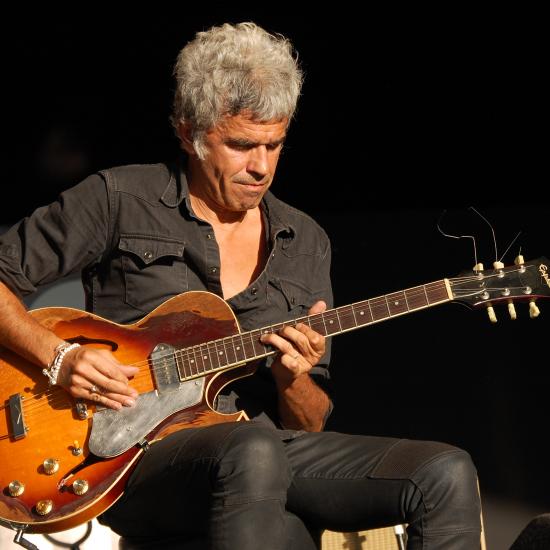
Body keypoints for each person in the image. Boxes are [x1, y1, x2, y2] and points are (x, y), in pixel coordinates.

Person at [0, 22, 481, 549]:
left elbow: (308, 424)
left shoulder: (306, 242)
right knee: (253, 451)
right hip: (129, 454)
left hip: (264, 451)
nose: (261, 167)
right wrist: (60, 356)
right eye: (241, 145)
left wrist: (293, 377)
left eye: (275, 145)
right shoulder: (118, 197)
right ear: (188, 133)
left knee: (444, 472)